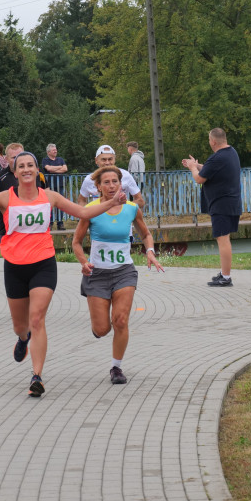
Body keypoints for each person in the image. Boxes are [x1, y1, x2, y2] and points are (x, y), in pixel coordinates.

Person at [0, 152, 126, 397]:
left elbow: (83, 213)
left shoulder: (50, 197)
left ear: (37, 170)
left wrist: (111, 203)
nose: (26, 169)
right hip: (14, 266)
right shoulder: (4, 197)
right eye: (21, 166)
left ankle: (36, 376)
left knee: (37, 319)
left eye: (30, 165)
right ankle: (22, 338)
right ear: (14, 173)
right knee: (20, 326)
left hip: (43, 263)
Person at [72, 165, 164, 385]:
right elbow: (76, 242)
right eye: (106, 182)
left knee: (120, 320)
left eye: (115, 181)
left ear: (121, 184)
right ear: (98, 187)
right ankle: (98, 327)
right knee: (102, 328)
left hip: (124, 272)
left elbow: (146, 233)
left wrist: (150, 251)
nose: (111, 186)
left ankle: (116, 367)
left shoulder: (132, 208)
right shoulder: (91, 210)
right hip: (97, 274)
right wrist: (84, 262)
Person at [181, 128, 242, 288]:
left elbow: (199, 179)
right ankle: (223, 273)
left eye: (209, 140)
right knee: (223, 238)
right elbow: (210, 169)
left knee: (223, 239)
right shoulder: (230, 152)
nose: (209, 143)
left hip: (221, 204)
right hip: (230, 202)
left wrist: (193, 168)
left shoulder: (217, 158)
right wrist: (196, 164)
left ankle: (226, 277)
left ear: (213, 141)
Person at [0, 143, 50, 238]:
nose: (18, 160)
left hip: (36, 231)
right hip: (8, 233)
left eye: (20, 156)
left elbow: (48, 196)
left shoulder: (37, 175)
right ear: (6, 159)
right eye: (14, 157)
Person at [77, 145, 144, 207]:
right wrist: (89, 214)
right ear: (96, 160)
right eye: (103, 159)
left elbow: (140, 201)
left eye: (110, 159)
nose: (107, 163)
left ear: (114, 159)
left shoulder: (125, 175)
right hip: (99, 217)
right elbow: (81, 201)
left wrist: (125, 208)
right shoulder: (90, 179)